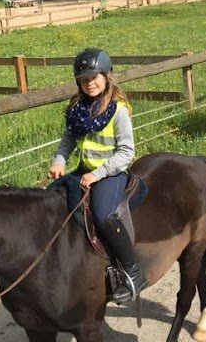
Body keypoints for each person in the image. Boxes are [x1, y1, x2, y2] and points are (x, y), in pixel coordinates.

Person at [48, 48, 146, 304]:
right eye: (84, 79)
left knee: (103, 215)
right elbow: (69, 138)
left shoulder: (118, 110)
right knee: (51, 199)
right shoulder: (77, 108)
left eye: (94, 77)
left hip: (110, 173)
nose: (90, 83)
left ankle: (133, 271)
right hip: (85, 170)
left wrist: (98, 173)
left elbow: (127, 151)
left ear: (107, 75)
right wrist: (59, 161)